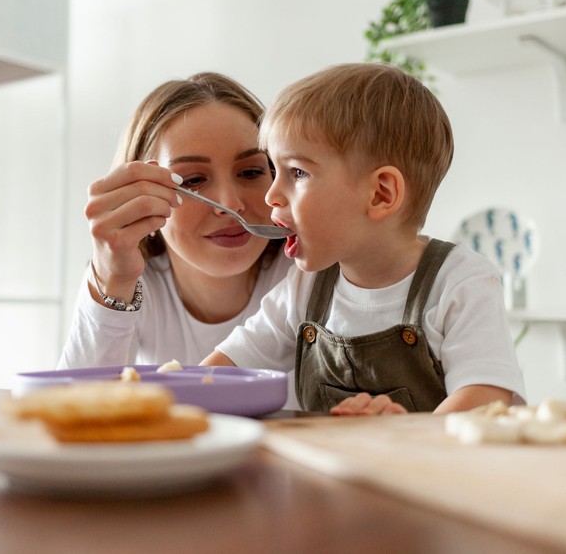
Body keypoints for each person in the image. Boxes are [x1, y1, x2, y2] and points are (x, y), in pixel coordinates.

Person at [202, 62, 525, 415]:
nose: (271, 196)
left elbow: (486, 398)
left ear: (381, 194)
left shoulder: (461, 283)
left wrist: (410, 434)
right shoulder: (304, 289)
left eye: (297, 172)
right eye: (275, 171)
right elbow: (222, 373)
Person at [58, 72, 291, 370]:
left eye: (250, 172)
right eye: (193, 180)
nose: (230, 204)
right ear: (141, 193)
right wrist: (112, 280)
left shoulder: (308, 273)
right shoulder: (133, 284)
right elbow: (76, 405)